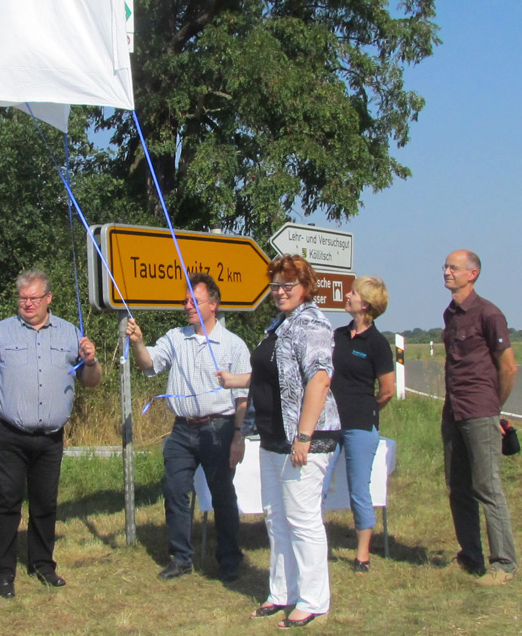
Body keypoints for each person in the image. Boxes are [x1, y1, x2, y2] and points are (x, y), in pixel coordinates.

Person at [219, 255, 340, 628]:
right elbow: (270, 373)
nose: (280, 291)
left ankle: (313, 600)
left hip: (305, 439)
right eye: (275, 285)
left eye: (288, 285)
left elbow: (319, 379)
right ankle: (282, 592)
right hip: (272, 437)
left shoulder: (312, 324)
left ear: (306, 287)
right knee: (276, 518)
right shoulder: (280, 324)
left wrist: (304, 436)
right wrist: (233, 380)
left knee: (303, 520)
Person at [0, 269, 101, 599]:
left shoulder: (70, 333)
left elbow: (91, 381)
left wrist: (91, 361)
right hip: (9, 434)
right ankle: (3, 573)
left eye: (34, 298)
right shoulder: (0, 332)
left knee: (45, 504)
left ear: (48, 298)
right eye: (23, 298)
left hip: (50, 437)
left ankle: (42, 564)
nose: (28, 304)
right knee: (6, 503)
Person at [126, 272, 250, 583]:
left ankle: (230, 560)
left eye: (195, 301)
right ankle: (181, 558)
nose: (188, 306)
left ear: (214, 305)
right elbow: (149, 364)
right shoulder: (175, 337)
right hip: (181, 430)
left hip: (219, 429)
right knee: (174, 492)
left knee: (222, 495)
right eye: (185, 301)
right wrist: (138, 342)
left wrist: (238, 436)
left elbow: (242, 397)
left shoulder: (233, 345)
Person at [441, 249, 518, 586]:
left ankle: (504, 564)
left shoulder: (489, 313)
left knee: (487, 487)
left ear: (472, 274)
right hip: (453, 410)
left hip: (480, 411)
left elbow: (508, 367)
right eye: (445, 267)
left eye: (454, 267)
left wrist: (493, 409)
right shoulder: (450, 314)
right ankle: (470, 557)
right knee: (458, 487)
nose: (447, 272)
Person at [330, 276, 395, 573]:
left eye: (353, 293)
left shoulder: (378, 344)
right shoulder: (338, 335)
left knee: (359, 488)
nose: (347, 295)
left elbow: (387, 390)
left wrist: (366, 408)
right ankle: (313, 545)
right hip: (330, 422)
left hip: (360, 425)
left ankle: (362, 555)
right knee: (318, 482)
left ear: (366, 304)